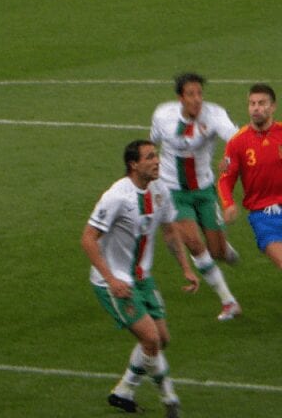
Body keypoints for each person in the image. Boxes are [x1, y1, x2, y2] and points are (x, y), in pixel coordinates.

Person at [81, 140, 198, 417]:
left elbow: (170, 232)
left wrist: (186, 268)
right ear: (134, 164)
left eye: (156, 156)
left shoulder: (159, 190)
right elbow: (87, 239)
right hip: (114, 280)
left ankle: (123, 391)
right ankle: (170, 399)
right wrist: (111, 279)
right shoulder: (117, 196)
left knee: (161, 340)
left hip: (142, 278)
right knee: (151, 339)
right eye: (149, 157)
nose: (157, 161)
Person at [149, 73, 241, 321]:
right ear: (180, 97)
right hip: (174, 192)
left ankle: (223, 249)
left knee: (217, 251)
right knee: (194, 243)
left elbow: (236, 139)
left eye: (200, 93)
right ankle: (229, 302)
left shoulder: (214, 115)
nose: (197, 99)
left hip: (204, 189)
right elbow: (151, 145)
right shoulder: (163, 115)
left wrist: (231, 158)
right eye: (191, 94)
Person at [218, 83, 282, 269]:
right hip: (263, 216)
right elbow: (225, 179)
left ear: (273, 107)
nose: (256, 108)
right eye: (252, 103)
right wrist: (228, 204)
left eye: (261, 103)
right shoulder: (237, 142)